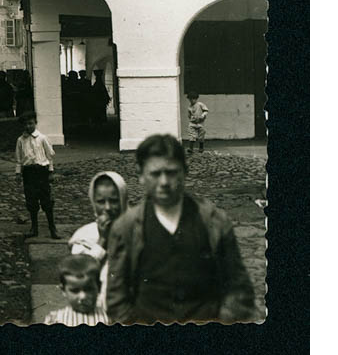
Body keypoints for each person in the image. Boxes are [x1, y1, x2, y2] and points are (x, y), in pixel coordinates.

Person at [106, 134, 255, 324]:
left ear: (185, 172)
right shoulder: (126, 227)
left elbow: (238, 286)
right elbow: (116, 297)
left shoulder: (214, 221)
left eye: (171, 172)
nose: (164, 182)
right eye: (155, 174)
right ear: (141, 175)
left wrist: (225, 320)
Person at [68, 170, 128, 305]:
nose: (107, 207)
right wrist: (102, 241)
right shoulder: (84, 235)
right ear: (93, 202)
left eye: (114, 201)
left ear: (123, 200)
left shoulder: (137, 230)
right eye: (101, 201)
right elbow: (79, 278)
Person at [14, 110, 59, 239]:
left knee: (46, 200)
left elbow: (49, 156)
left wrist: (51, 171)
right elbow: (18, 159)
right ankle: (34, 228)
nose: (28, 126)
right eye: (25, 124)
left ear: (35, 123)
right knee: (31, 200)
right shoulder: (20, 141)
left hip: (42, 172)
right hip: (28, 173)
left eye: (31, 123)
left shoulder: (42, 138)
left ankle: (52, 228)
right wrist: (18, 173)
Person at [43, 255, 107, 326]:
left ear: (99, 287)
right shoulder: (56, 320)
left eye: (89, 289)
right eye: (75, 291)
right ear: (63, 290)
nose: (83, 296)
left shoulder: (110, 318)